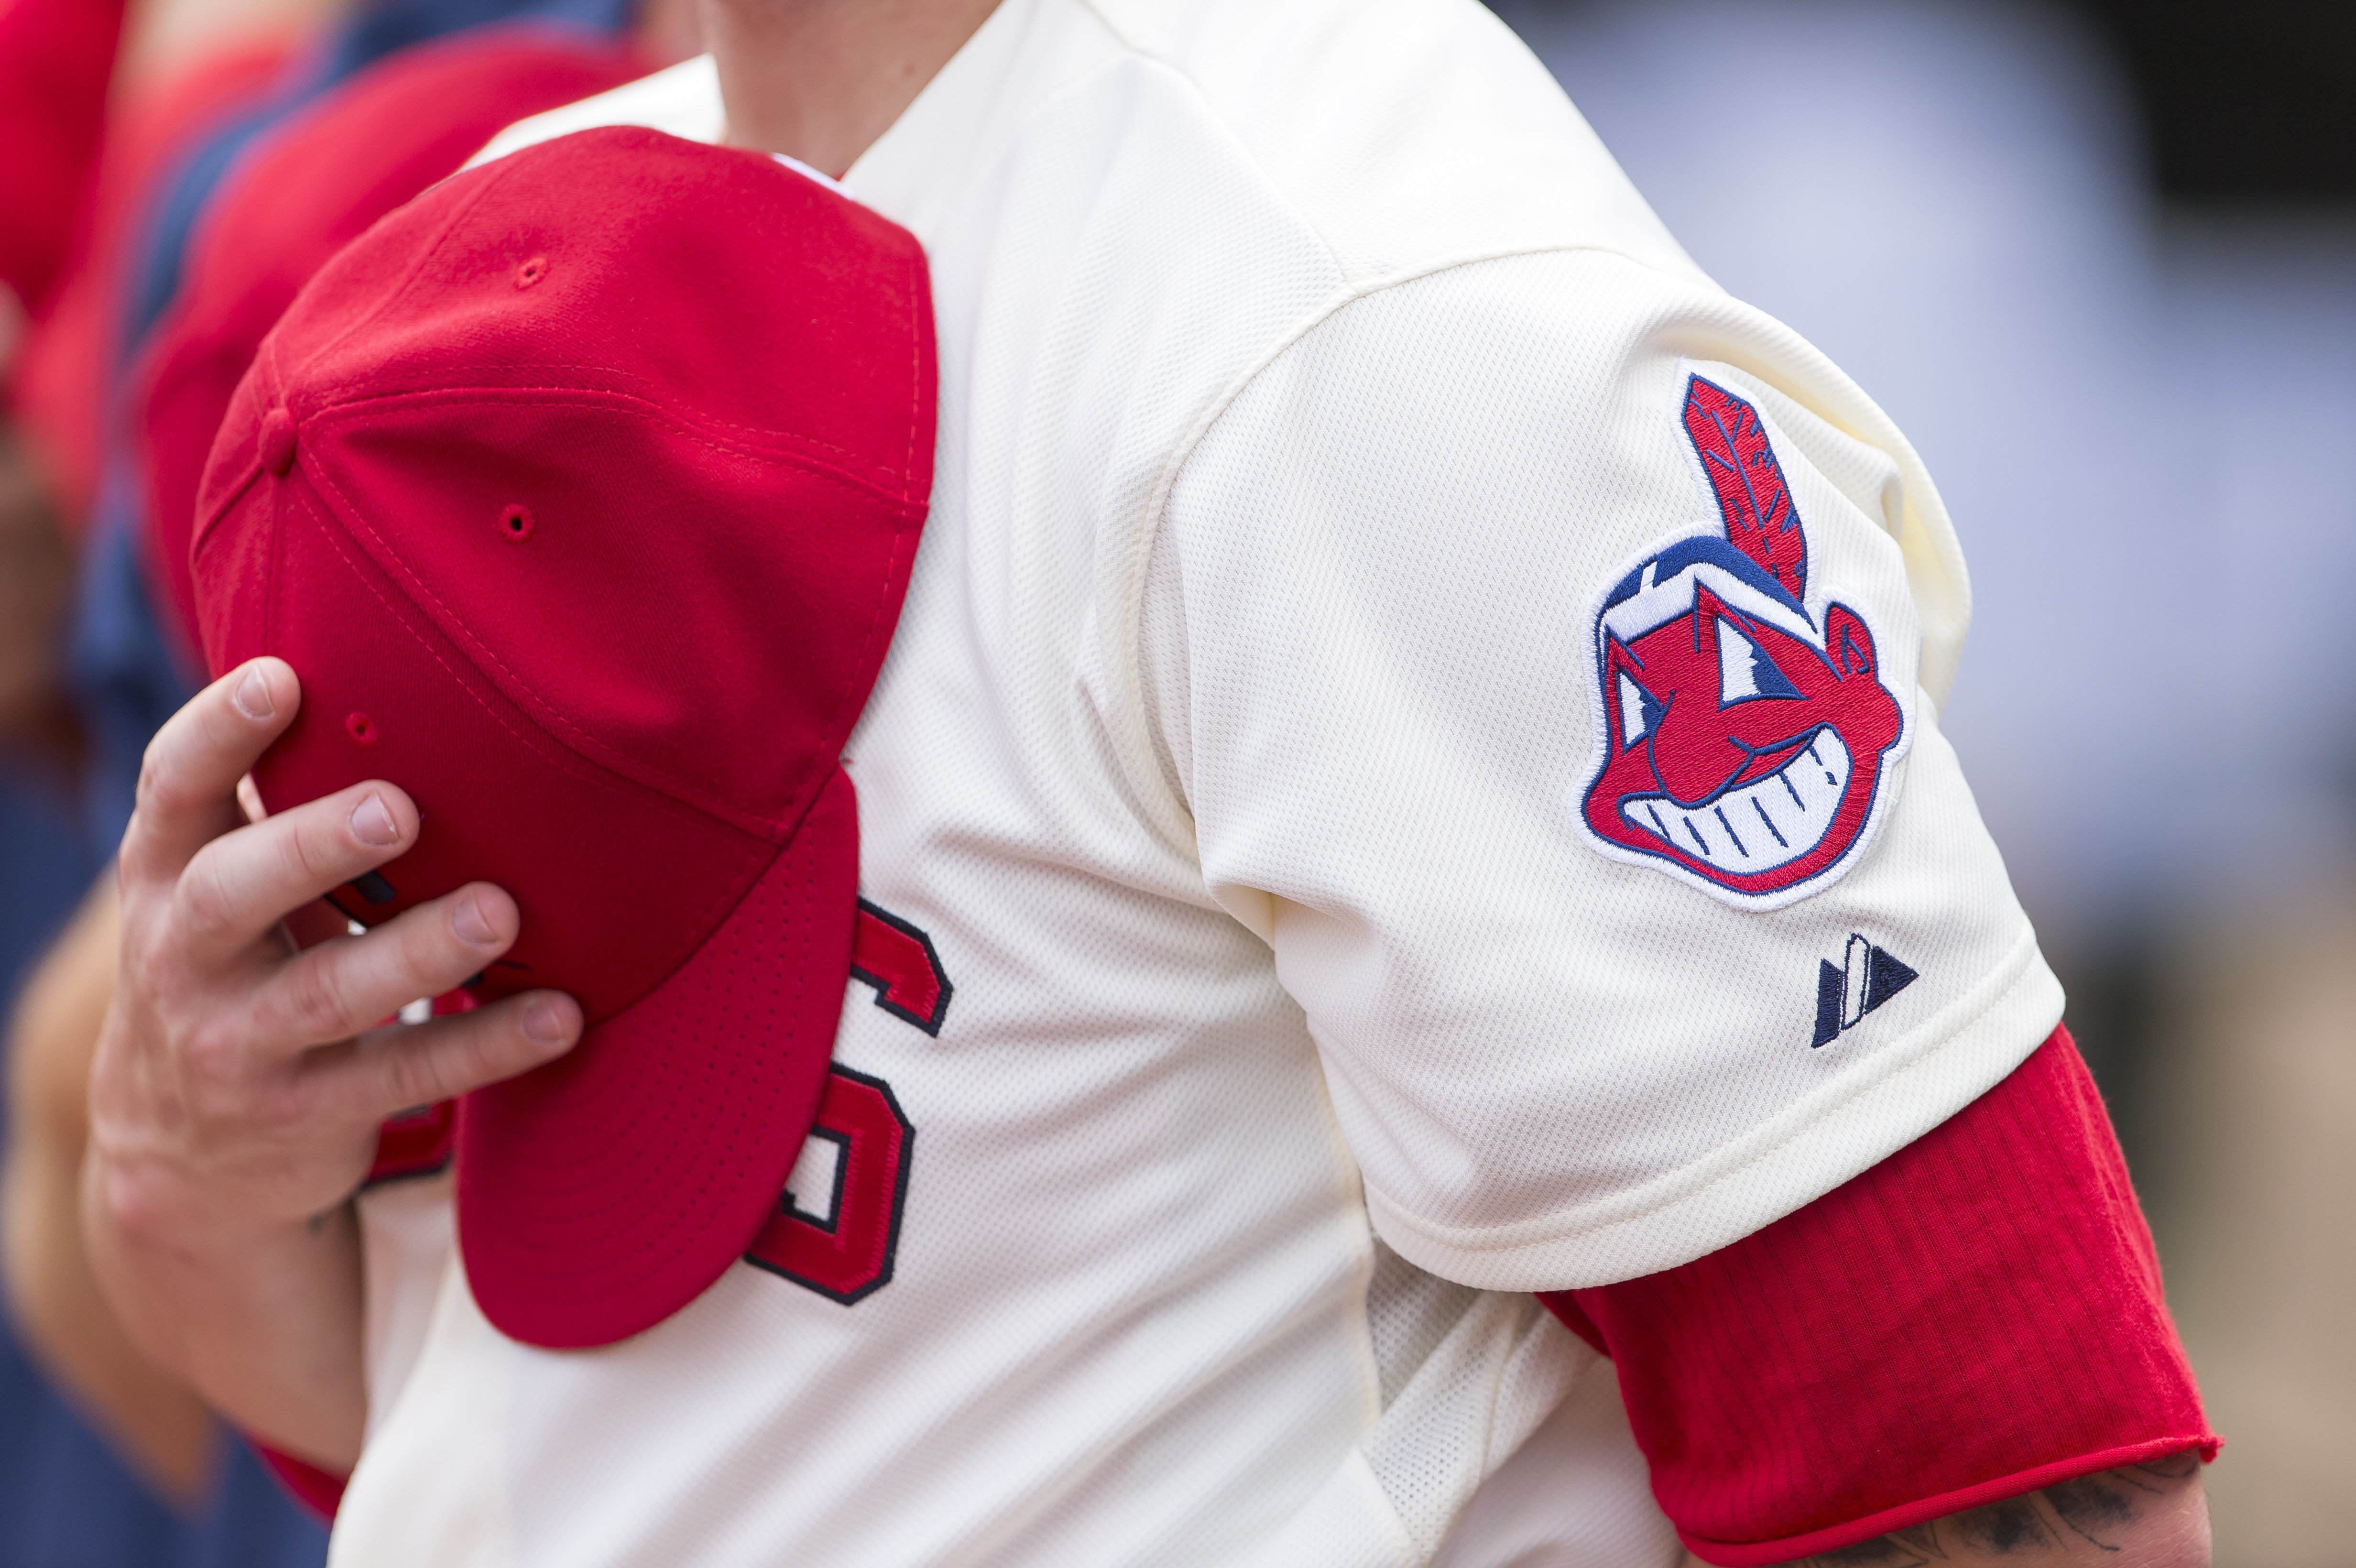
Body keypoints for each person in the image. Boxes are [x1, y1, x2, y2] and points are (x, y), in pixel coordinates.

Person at [79, 0, 2218, 1564]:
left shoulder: (1351, 302)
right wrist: (200, 1209)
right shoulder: (513, 243)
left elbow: (1986, 1466)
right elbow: (640, 1429)